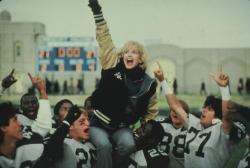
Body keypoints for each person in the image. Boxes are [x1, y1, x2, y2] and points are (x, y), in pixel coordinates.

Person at [87, 0, 158, 168]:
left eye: (134, 52)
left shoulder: (149, 84)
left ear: (141, 58)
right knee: (104, 145)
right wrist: (98, 13)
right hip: (99, 123)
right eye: (126, 51)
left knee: (128, 144)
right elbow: (105, 40)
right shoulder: (112, 65)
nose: (128, 54)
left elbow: (151, 111)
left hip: (122, 127)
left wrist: (144, 129)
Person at [154, 63, 246, 168]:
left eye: (209, 109)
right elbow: (175, 105)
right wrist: (162, 81)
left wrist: (224, 89)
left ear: (218, 115)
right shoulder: (194, 123)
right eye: (204, 107)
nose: (204, 110)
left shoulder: (221, 130)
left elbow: (227, 115)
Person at [18, 73, 52, 138]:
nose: (30, 105)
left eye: (33, 102)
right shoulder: (17, 121)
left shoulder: (51, 121)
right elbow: (43, 128)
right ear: (20, 108)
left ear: (39, 105)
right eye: (26, 103)